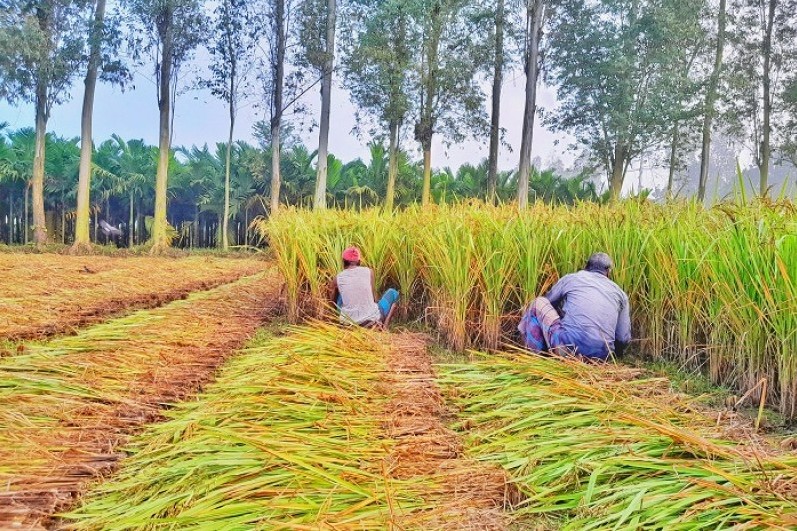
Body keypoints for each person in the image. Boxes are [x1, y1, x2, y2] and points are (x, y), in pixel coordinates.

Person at [518, 252, 631, 360]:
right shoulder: (620, 294)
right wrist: (616, 356)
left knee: (539, 303)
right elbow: (623, 338)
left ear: (586, 266)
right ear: (608, 271)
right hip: (602, 356)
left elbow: (549, 302)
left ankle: (534, 357)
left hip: (570, 350)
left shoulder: (572, 278)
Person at [330, 246, 399, 329]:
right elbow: (374, 299)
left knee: (340, 293)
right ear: (359, 261)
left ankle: (336, 317)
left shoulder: (338, 278)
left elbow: (332, 299)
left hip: (347, 322)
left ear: (344, 262)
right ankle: (384, 327)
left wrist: (333, 311)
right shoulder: (369, 272)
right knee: (393, 293)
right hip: (370, 320)